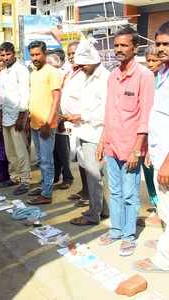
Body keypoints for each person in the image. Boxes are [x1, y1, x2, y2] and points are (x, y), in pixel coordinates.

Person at [97, 26, 155, 256]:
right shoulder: (113, 76)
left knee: (131, 194)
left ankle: (128, 236)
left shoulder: (145, 76)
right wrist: (102, 141)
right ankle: (116, 230)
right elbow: (109, 112)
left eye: (123, 45)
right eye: (116, 45)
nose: (119, 49)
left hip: (131, 147)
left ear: (134, 47)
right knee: (116, 191)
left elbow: (146, 116)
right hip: (112, 144)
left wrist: (137, 150)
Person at [65, 39, 110, 226]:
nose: (80, 68)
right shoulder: (87, 75)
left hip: (95, 133)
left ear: (91, 60)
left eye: (82, 65)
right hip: (84, 131)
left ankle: (93, 215)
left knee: (94, 177)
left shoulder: (104, 78)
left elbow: (105, 111)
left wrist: (81, 116)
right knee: (93, 176)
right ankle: (102, 209)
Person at [136, 21, 169, 272]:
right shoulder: (162, 74)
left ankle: (164, 260)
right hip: (159, 152)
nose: (161, 49)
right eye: (158, 43)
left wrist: (167, 161)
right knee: (164, 208)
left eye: (166, 44)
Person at [26, 41, 61, 205]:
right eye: (32, 55)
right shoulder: (33, 73)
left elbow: (56, 99)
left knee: (47, 161)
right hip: (34, 123)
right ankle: (44, 186)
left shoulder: (52, 72)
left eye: (37, 54)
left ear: (44, 53)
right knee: (40, 160)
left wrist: (49, 122)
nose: (35, 58)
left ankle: (47, 194)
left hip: (46, 125)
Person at [0, 42, 31, 196]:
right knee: (9, 150)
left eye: (7, 54)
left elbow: (25, 93)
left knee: (20, 151)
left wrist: (22, 116)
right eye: (2, 55)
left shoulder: (21, 70)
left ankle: (25, 180)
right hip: (5, 115)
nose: (5, 58)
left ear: (14, 54)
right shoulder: (3, 72)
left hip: (17, 116)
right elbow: (2, 96)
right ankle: (14, 177)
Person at [60, 41, 91, 207]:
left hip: (83, 123)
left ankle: (90, 194)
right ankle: (84, 189)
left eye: (75, 53)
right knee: (79, 159)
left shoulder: (87, 73)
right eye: (69, 54)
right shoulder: (70, 72)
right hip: (71, 125)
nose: (72, 56)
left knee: (87, 162)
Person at [46, 50, 74, 190]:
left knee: (63, 152)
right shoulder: (51, 76)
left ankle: (68, 177)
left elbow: (63, 100)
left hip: (62, 120)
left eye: (50, 63)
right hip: (52, 119)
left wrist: (62, 120)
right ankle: (56, 175)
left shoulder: (64, 75)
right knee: (54, 151)